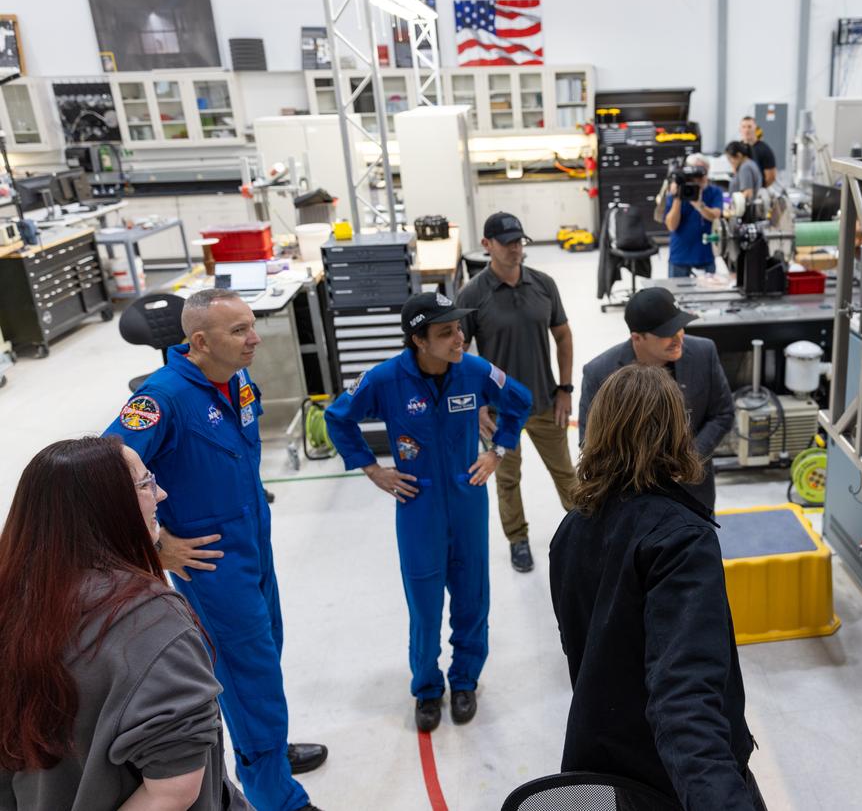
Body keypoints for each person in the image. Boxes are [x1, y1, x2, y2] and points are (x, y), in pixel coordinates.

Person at [103, 288, 325, 811]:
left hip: (256, 548)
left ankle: (264, 752)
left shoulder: (235, 378)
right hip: (214, 565)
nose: (255, 339)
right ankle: (276, 797)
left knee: (264, 661)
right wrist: (157, 546)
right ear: (200, 341)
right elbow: (108, 472)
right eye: (239, 330)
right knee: (251, 677)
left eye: (252, 325)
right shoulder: (162, 399)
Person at [549, 364, 767, 811]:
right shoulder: (682, 540)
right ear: (675, 434)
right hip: (673, 783)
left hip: (612, 773)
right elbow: (684, 699)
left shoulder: (569, 532)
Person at [0, 436, 250, 811]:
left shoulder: (14, 604)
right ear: (107, 505)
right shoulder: (151, 622)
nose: (161, 494)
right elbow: (174, 788)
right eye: (146, 483)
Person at [325, 291, 532, 733]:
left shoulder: (475, 371)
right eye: (446, 333)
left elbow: (520, 401)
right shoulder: (384, 379)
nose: (459, 339)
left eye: (458, 329)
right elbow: (338, 417)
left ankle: (465, 680)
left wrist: (497, 451)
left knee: (473, 597)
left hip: (468, 498)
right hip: (417, 506)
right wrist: (372, 469)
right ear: (419, 340)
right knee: (424, 606)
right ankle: (426, 687)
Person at [456, 212, 576, 574]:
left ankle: (586, 529)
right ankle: (517, 539)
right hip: (499, 412)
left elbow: (563, 335)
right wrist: (477, 404)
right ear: (487, 244)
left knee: (566, 473)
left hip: (545, 401)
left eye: (519, 241)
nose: (514, 248)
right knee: (508, 480)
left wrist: (565, 388)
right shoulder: (473, 294)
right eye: (506, 242)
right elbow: (458, 354)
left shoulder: (543, 284)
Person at [579, 288, 733, 511]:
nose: (678, 337)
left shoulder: (704, 352)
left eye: (680, 327)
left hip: (694, 495)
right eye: (666, 333)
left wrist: (688, 458)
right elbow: (589, 441)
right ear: (637, 338)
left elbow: (723, 414)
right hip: (629, 501)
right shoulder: (600, 373)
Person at [662, 155, 724, 278]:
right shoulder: (677, 192)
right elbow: (671, 226)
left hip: (705, 257)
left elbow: (715, 217)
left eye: (701, 171)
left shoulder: (715, 192)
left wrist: (698, 204)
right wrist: (678, 197)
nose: (697, 177)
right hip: (680, 257)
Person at [739, 116, 778, 189]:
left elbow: (771, 176)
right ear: (740, 129)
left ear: (755, 128)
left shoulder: (764, 149)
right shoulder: (738, 148)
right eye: (743, 127)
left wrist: (758, 189)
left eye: (749, 127)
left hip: (759, 190)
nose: (746, 130)